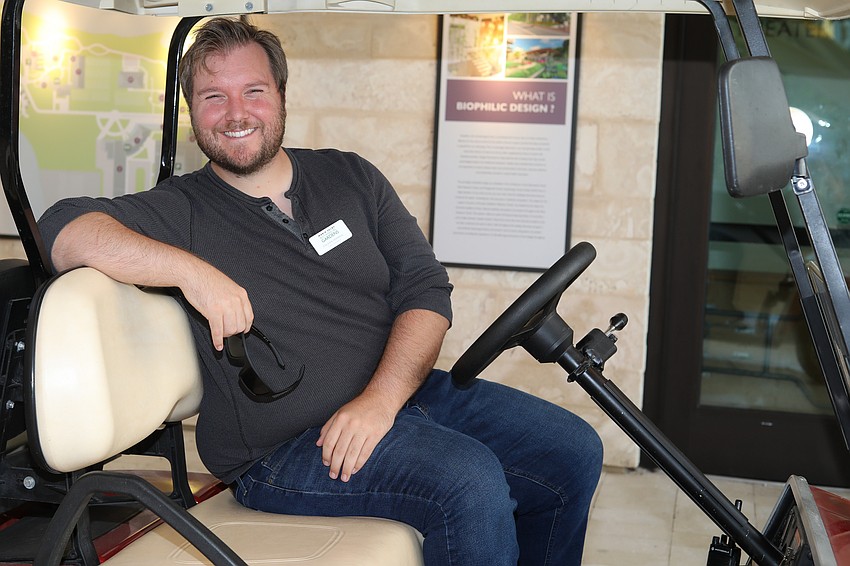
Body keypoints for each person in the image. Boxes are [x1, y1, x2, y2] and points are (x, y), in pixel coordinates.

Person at [37, 16, 603, 566]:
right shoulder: (181, 209)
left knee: (572, 450)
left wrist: (380, 402)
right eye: (213, 97)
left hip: (402, 396)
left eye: (253, 91)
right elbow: (60, 230)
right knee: (467, 479)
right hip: (283, 450)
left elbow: (426, 290)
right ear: (191, 113)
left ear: (281, 95)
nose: (236, 114)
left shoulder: (351, 176)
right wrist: (190, 270)